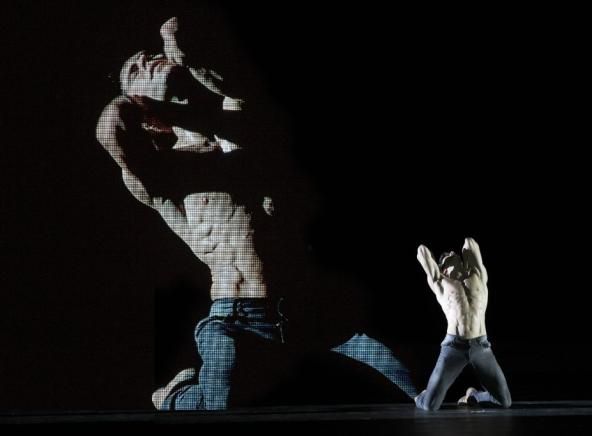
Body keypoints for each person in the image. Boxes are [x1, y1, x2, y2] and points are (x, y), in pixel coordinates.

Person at [96, 17, 416, 410]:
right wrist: (144, 108)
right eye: (135, 69)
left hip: (304, 307)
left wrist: (181, 57)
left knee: (406, 378)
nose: (148, 61)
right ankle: (175, 396)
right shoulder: (166, 176)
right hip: (235, 317)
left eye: (150, 57)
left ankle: (454, 394)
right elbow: (110, 129)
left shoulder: (241, 123)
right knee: (222, 401)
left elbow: (231, 92)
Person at [414, 237, 511, 410]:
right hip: (454, 347)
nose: (453, 252)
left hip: (481, 346)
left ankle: (474, 395)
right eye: (448, 256)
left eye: (455, 253)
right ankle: (423, 396)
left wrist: (459, 251)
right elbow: (422, 252)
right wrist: (440, 262)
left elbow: (470, 243)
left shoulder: (478, 275)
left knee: (504, 402)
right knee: (430, 406)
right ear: (444, 269)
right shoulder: (441, 282)